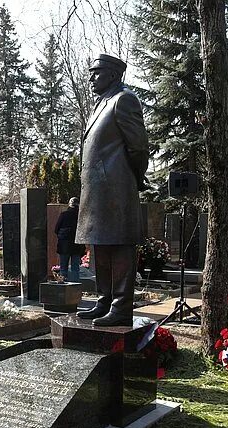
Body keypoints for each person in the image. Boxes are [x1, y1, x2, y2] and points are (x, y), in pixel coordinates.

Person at [76, 54, 148, 327]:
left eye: (97, 72)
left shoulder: (124, 100)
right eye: (91, 72)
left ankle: (120, 307)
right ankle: (104, 300)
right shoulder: (100, 104)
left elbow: (138, 147)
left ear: (114, 75)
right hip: (97, 192)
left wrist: (131, 179)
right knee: (101, 247)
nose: (92, 77)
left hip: (117, 189)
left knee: (119, 247)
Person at [55, 197, 87, 282]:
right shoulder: (81, 216)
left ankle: (63, 289)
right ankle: (75, 290)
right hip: (77, 245)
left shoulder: (64, 215)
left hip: (64, 245)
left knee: (63, 269)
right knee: (75, 269)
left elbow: (56, 229)